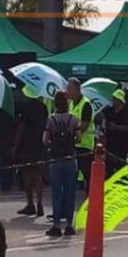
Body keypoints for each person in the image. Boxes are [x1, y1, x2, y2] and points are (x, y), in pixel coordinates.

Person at [44, 91, 79, 237]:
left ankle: (56, 225)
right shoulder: (73, 119)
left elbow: (45, 139)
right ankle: (70, 225)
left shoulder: (51, 119)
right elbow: (79, 138)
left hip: (56, 160)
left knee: (56, 193)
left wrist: (53, 143)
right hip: (70, 159)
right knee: (70, 192)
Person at [14, 87, 48, 218]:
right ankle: (40, 203)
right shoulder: (43, 107)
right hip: (39, 144)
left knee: (27, 173)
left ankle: (30, 204)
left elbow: (21, 128)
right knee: (37, 174)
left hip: (26, 145)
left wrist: (16, 145)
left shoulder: (25, 108)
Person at [67, 78, 95, 193]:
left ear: (76, 89)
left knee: (87, 173)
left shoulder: (86, 104)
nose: (67, 90)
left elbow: (84, 125)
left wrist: (73, 133)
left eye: (69, 88)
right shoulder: (71, 104)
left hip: (85, 144)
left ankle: (91, 196)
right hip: (74, 144)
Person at [102, 89, 128, 176]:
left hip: (122, 144)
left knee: (120, 167)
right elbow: (101, 117)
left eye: (116, 99)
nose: (114, 100)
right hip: (110, 143)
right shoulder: (109, 111)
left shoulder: (126, 112)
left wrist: (116, 127)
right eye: (114, 98)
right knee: (109, 168)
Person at [0, 103, 16, 192]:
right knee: (7, 161)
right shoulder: (8, 112)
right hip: (7, 138)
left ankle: (5, 183)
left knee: (4, 162)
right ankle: (7, 182)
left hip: (3, 139)